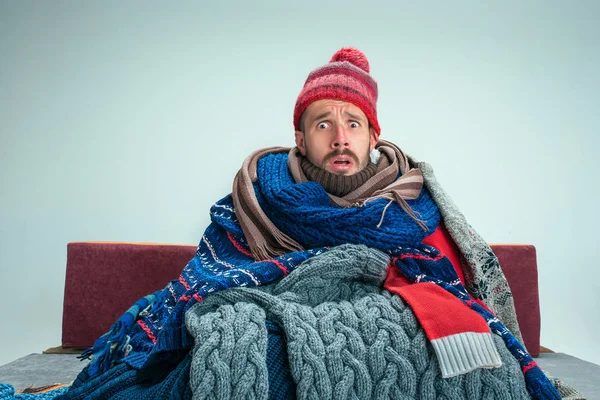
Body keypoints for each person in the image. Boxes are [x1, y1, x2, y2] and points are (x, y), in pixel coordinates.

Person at [58, 48, 563, 400]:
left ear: (373, 136)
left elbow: (448, 291)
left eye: (353, 123)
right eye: (323, 123)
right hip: (278, 322)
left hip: (384, 327)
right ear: (300, 138)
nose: (339, 137)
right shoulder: (256, 201)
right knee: (233, 337)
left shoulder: (415, 209)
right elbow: (207, 285)